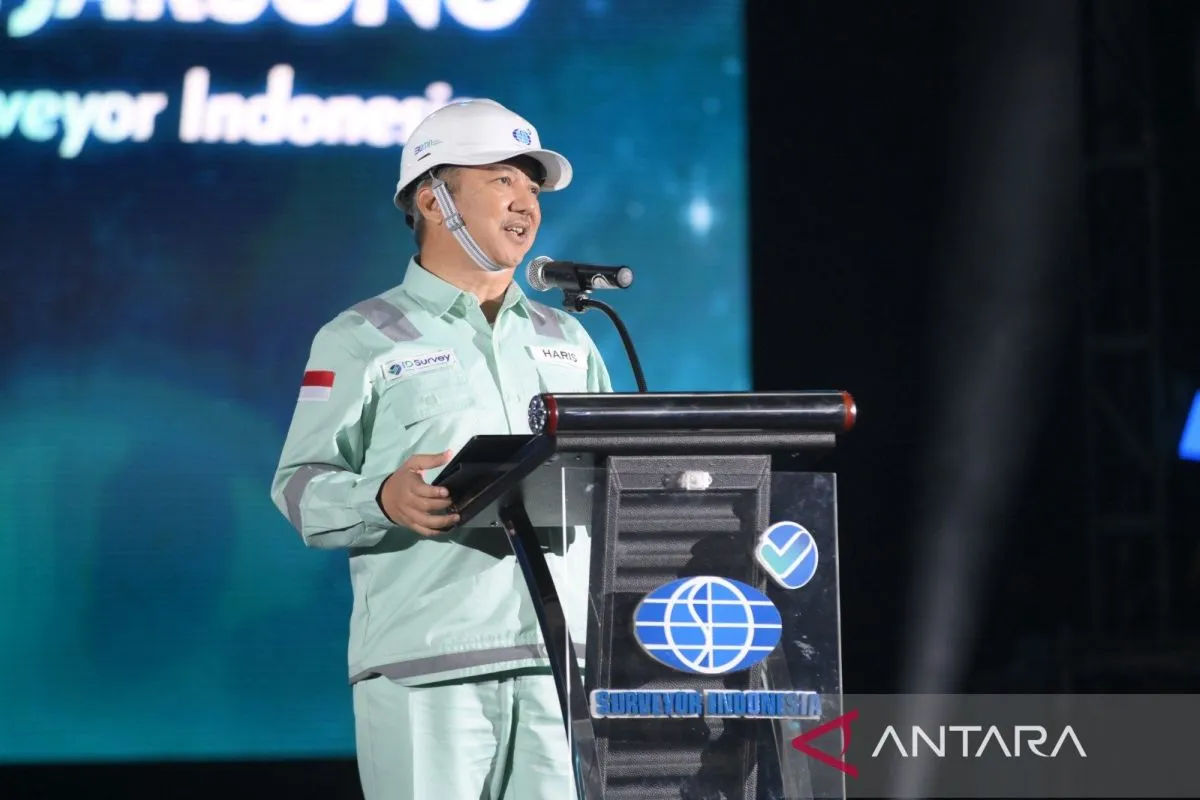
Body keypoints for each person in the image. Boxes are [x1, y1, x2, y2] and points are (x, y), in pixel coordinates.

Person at [269, 99, 613, 800]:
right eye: (502, 180)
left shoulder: (568, 337)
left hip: (560, 667)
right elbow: (297, 488)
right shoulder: (361, 336)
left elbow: (616, 474)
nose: (526, 202)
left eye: (532, 187)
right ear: (434, 200)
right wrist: (381, 498)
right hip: (424, 670)